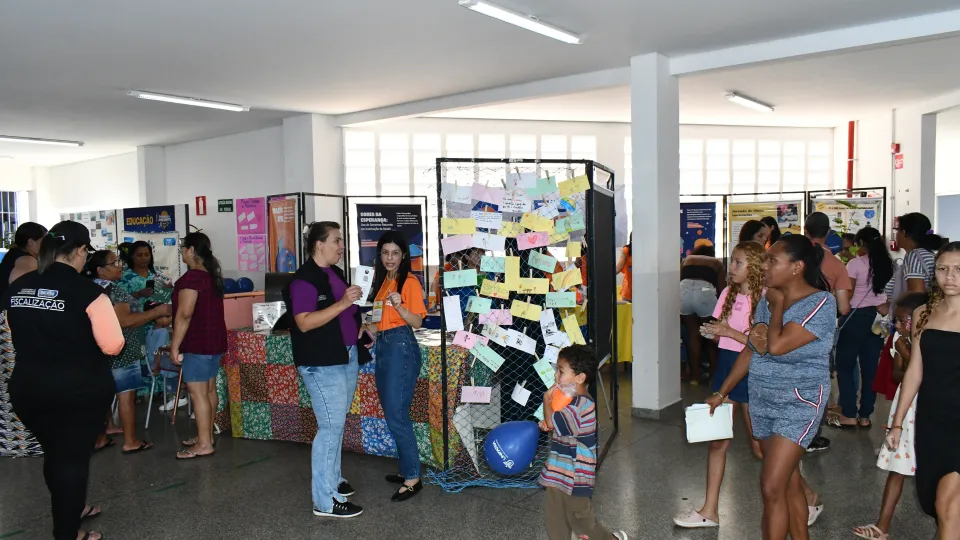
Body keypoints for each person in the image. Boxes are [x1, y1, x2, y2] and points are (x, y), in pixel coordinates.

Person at [708, 234, 836, 540]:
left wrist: (776, 306)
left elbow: (776, 346)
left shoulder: (820, 302)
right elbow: (753, 348)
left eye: (772, 260)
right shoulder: (769, 298)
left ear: (797, 267)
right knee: (789, 483)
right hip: (764, 398)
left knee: (771, 486)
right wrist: (722, 392)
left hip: (799, 402)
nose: (764, 266)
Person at [6, 221, 124, 540]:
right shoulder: (90, 293)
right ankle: (68, 533)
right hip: (76, 392)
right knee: (72, 460)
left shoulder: (18, 286)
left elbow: (18, 333)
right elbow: (113, 345)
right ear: (81, 251)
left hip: (28, 388)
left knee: (56, 453)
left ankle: (74, 508)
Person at [674, 241, 765, 529]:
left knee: (761, 447)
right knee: (718, 442)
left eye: (738, 262)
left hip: (751, 371)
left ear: (755, 266)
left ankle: (806, 495)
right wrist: (713, 332)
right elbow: (721, 336)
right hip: (726, 368)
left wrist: (727, 331)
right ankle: (709, 511)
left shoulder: (766, 298)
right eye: (732, 262)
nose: (732, 268)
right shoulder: (727, 292)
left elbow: (762, 345)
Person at [282, 221, 365, 519]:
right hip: (321, 362)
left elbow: (347, 312)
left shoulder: (336, 273)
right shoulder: (304, 280)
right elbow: (304, 322)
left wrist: (359, 325)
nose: (341, 246)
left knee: (337, 425)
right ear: (319, 244)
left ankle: (333, 481)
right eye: (336, 241)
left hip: (345, 355)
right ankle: (324, 500)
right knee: (330, 428)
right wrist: (343, 303)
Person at [886, 242, 960, 536]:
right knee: (934, 501)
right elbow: (915, 370)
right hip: (932, 421)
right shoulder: (923, 313)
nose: (950, 276)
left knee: (947, 505)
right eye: (943, 269)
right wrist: (897, 424)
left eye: (958, 270)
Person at [852, 292, 928, 540]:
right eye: (896, 320)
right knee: (897, 468)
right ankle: (882, 526)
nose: (896, 325)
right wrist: (902, 351)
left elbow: (926, 375)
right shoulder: (898, 340)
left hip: (929, 408)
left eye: (902, 320)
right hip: (906, 409)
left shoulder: (931, 341)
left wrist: (907, 354)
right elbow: (898, 376)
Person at [84, 250, 172, 453]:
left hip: (95, 351)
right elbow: (124, 322)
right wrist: (157, 312)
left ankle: (100, 437)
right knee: (126, 396)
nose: (119, 266)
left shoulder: (88, 288)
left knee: (103, 395)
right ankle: (131, 441)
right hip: (122, 351)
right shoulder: (114, 291)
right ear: (101, 270)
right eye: (114, 263)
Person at [538, 345, 628, 540]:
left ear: (580, 378)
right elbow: (558, 424)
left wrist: (547, 400)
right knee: (554, 519)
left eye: (560, 371)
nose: (556, 376)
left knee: (582, 522)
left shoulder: (581, 404)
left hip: (575, 476)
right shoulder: (567, 399)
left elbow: (555, 422)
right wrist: (547, 423)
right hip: (558, 472)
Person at [363, 231, 427, 502]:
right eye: (385, 253)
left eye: (395, 253)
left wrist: (401, 308)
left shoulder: (409, 282)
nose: (390, 258)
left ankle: (413, 477)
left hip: (401, 348)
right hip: (385, 347)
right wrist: (368, 330)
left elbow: (417, 322)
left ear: (404, 257)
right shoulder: (382, 282)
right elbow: (379, 322)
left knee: (397, 416)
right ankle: (406, 469)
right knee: (393, 412)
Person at [828, 227, 893, 430]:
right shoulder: (888, 264)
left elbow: (849, 292)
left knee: (845, 365)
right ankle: (865, 415)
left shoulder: (856, 263)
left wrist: (839, 310)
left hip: (856, 316)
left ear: (860, 244)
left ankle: (849, 413)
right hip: (877, 318)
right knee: (870, 368)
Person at [169, 232, 227, 460]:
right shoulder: (210, 277)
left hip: (198, 343)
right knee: (209, 390)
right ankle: (207, 436)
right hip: (214, 342)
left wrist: (175, 346)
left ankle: (204, 443)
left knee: (198, 393)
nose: (182, 252)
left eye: (183, 248)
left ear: (191, 250)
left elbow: (184, 314)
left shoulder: (192, 279)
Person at [803, 212, 852, 453]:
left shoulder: (792, 256)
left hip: (788, 326)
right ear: (828, 233)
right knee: (818, 381)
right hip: (821, 332)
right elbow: (844, 307)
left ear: (805, 230)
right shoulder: (836, 264)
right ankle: (811, 436)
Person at [117, 241, 179, 410]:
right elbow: (117, 301)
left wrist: (168, 291)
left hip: (158, 324)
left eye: (147, 255)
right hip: (134, 326)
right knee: (140, 358)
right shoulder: (124, 277)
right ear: (132, 256)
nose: (144, 258)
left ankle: (160, 390)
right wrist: (138, 294)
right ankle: (136, 393)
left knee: (158, 353)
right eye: (139, 255)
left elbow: (167, 298)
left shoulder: (157, 275)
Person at [680, 244, 725, 384]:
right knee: (711, 334)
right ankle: (713, 377)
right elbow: (722, 289)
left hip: (683, 293)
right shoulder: (716, 263)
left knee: (693, 333)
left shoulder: (687, 259)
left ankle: (695, 377)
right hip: (705, 294)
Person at [0, 222, 47, 292]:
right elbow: (20, 285)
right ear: (31, 242)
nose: (47, 244)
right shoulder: (27, 260)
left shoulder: (13, 254)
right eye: (44, 240)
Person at [616, 233, 632, 301]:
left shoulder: (646, 250)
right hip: (628, 290)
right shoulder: (627, 250)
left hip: (643, 290)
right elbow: (618, 268)